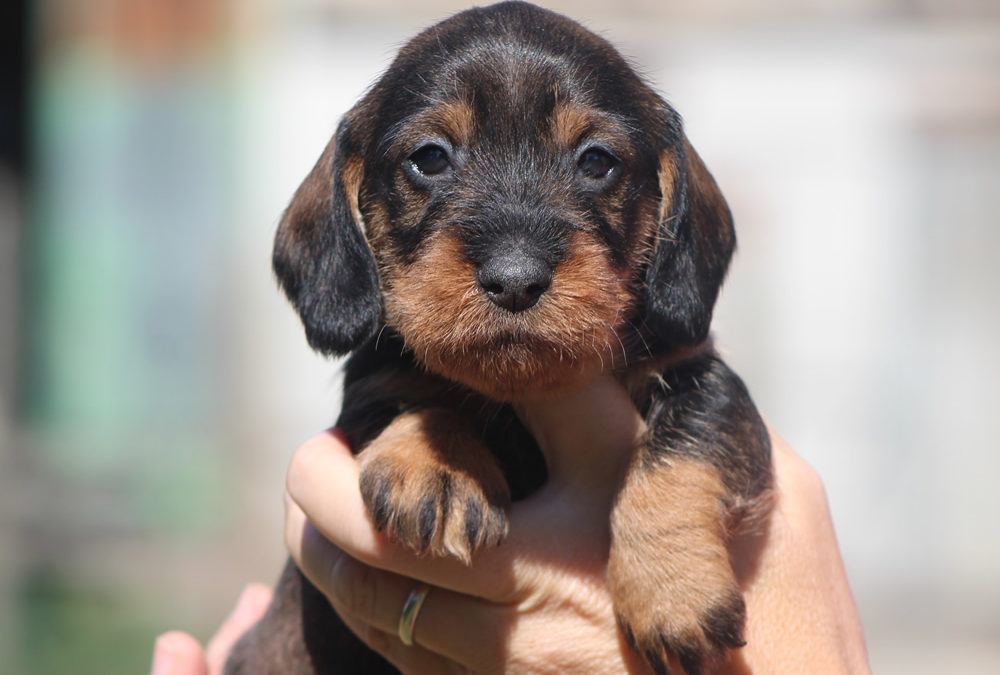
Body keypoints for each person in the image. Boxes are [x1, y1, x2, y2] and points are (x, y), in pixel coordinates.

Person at [150, 377, 870, 674]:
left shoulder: (665, 360)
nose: (516, 261)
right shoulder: (404, 357)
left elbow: (715, 406)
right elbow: (371, 415)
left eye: (594, 164)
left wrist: (666, 536)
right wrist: (424, 436)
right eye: (432, 161)